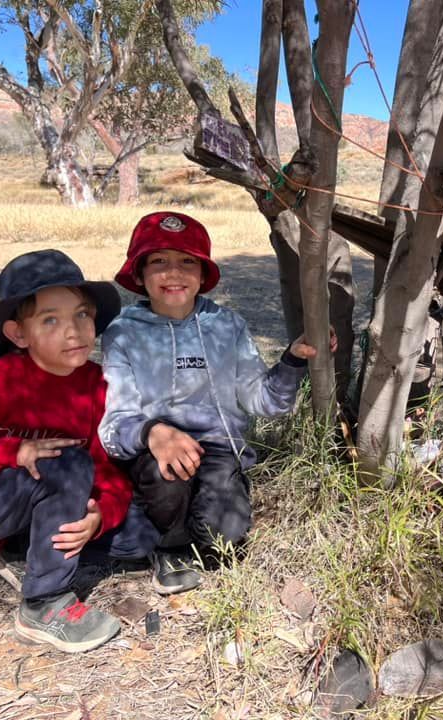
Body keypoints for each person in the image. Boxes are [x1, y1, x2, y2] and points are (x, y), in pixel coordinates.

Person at [0, 250, 163, 653]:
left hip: (47, 492)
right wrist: (8, 451)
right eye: (50, 320)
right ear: (19, 334)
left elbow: (105, 465)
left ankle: (33, 543)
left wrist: (100, 514)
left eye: (83, 315)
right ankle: (43, 603)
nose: (73, 331)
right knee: (64, 461)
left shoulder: (96, 386)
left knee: (140, 533)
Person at [99, 212, 331, 593]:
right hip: (154, 450)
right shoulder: (123, 333)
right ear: (139, 275)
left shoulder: (227, 325)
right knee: (167, 477)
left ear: (203, 275)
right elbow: (115, 423)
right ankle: (168, 545)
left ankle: (181, 521)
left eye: (187, 262)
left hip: (219, 449)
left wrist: (292, 361)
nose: (174, 273)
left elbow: (264, 400)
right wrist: (153, 433)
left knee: (226, 543)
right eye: (159, 262)